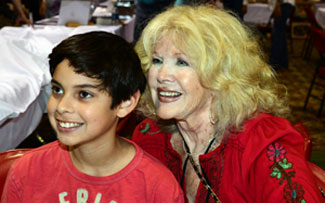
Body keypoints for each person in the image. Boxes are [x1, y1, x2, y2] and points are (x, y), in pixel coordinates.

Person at [132, 5, 324, 202]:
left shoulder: (260, 145)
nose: (161, 75)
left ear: (221, 74)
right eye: (156, 60)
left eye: (182, 62)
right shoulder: (149, 136)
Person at [1, 31, 184, 203]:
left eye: (84, 94)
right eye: (58, 90)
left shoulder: (156, 188)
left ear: (125, 103)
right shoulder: (27, 172)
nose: (62, 106)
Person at [268, 0, 295, 69]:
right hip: (283, 4)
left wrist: (278, 5)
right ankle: (283, 62)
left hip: (283, 4)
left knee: (277, 34)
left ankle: (275, 62)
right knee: (280, 34)